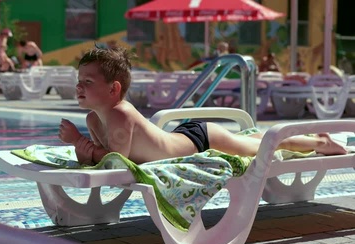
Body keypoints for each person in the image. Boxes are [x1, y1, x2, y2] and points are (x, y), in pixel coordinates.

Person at [58, 47, 347, 166]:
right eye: (79, 80)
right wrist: (85, 149)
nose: (79, 86)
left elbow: (116, 163)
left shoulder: (121, 114)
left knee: (262, 148)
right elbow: (99, 158)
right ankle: (308, 138)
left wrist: (79, 143)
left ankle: (317, 141)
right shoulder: (96, 119)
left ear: (113, 89)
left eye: (88, 81)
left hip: (202, 141)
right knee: (250, 140)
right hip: (187, 135)